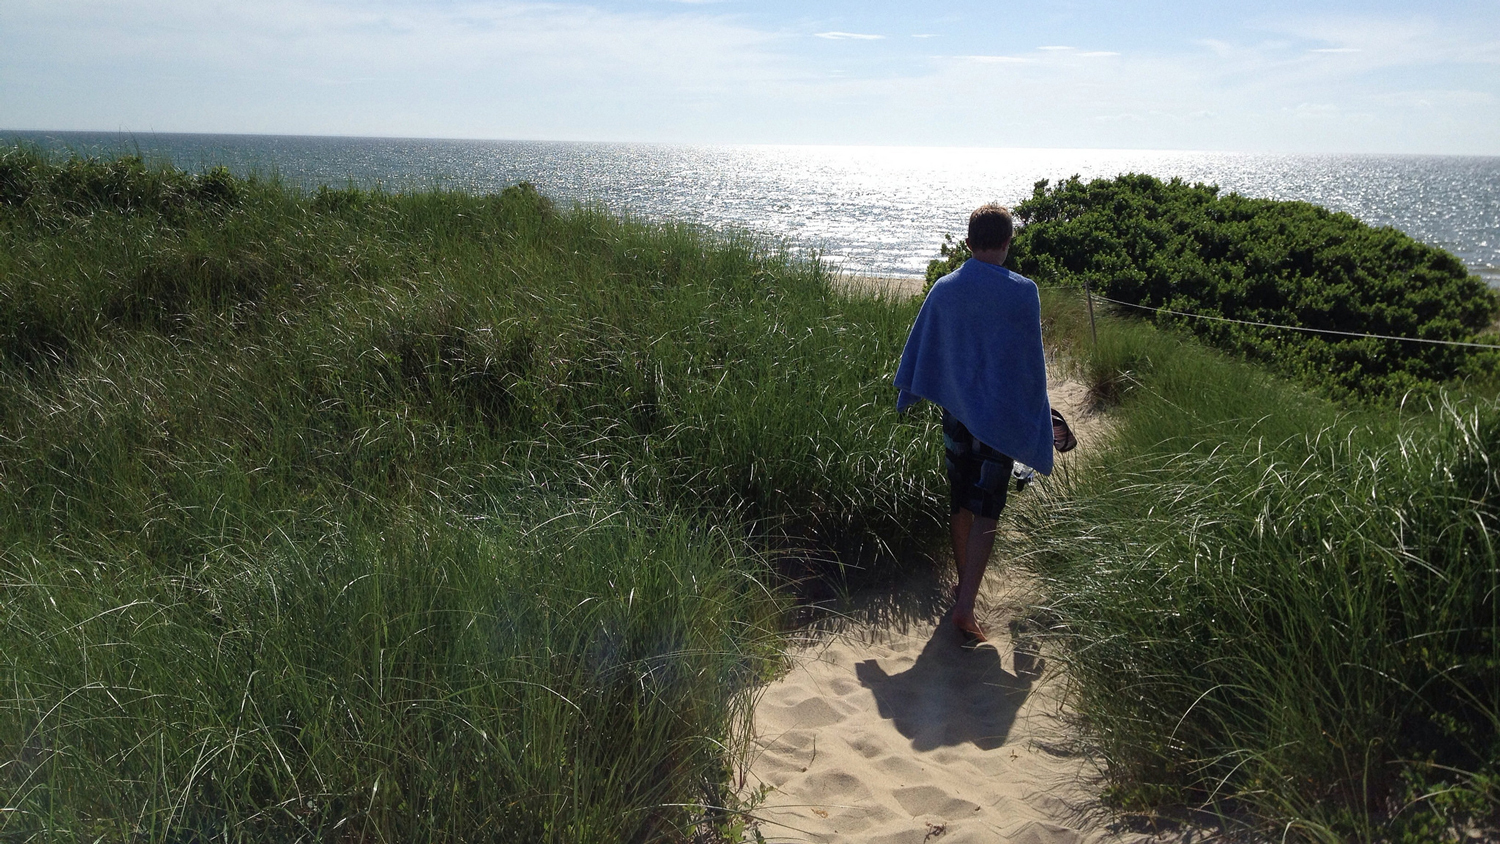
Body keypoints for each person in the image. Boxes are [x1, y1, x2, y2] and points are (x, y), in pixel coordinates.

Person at [893, 204, 1054, 643]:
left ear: (968, 242)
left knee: (960, 502)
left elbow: (922, 345)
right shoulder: (1024, 291)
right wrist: (1037, 416)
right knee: (987, 511)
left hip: (957, 414)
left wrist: (912, 388)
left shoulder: (945, 288)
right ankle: (965, 607)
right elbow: (1030, 366)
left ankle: (964, 590)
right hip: (997, 421)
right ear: (1006, 243)